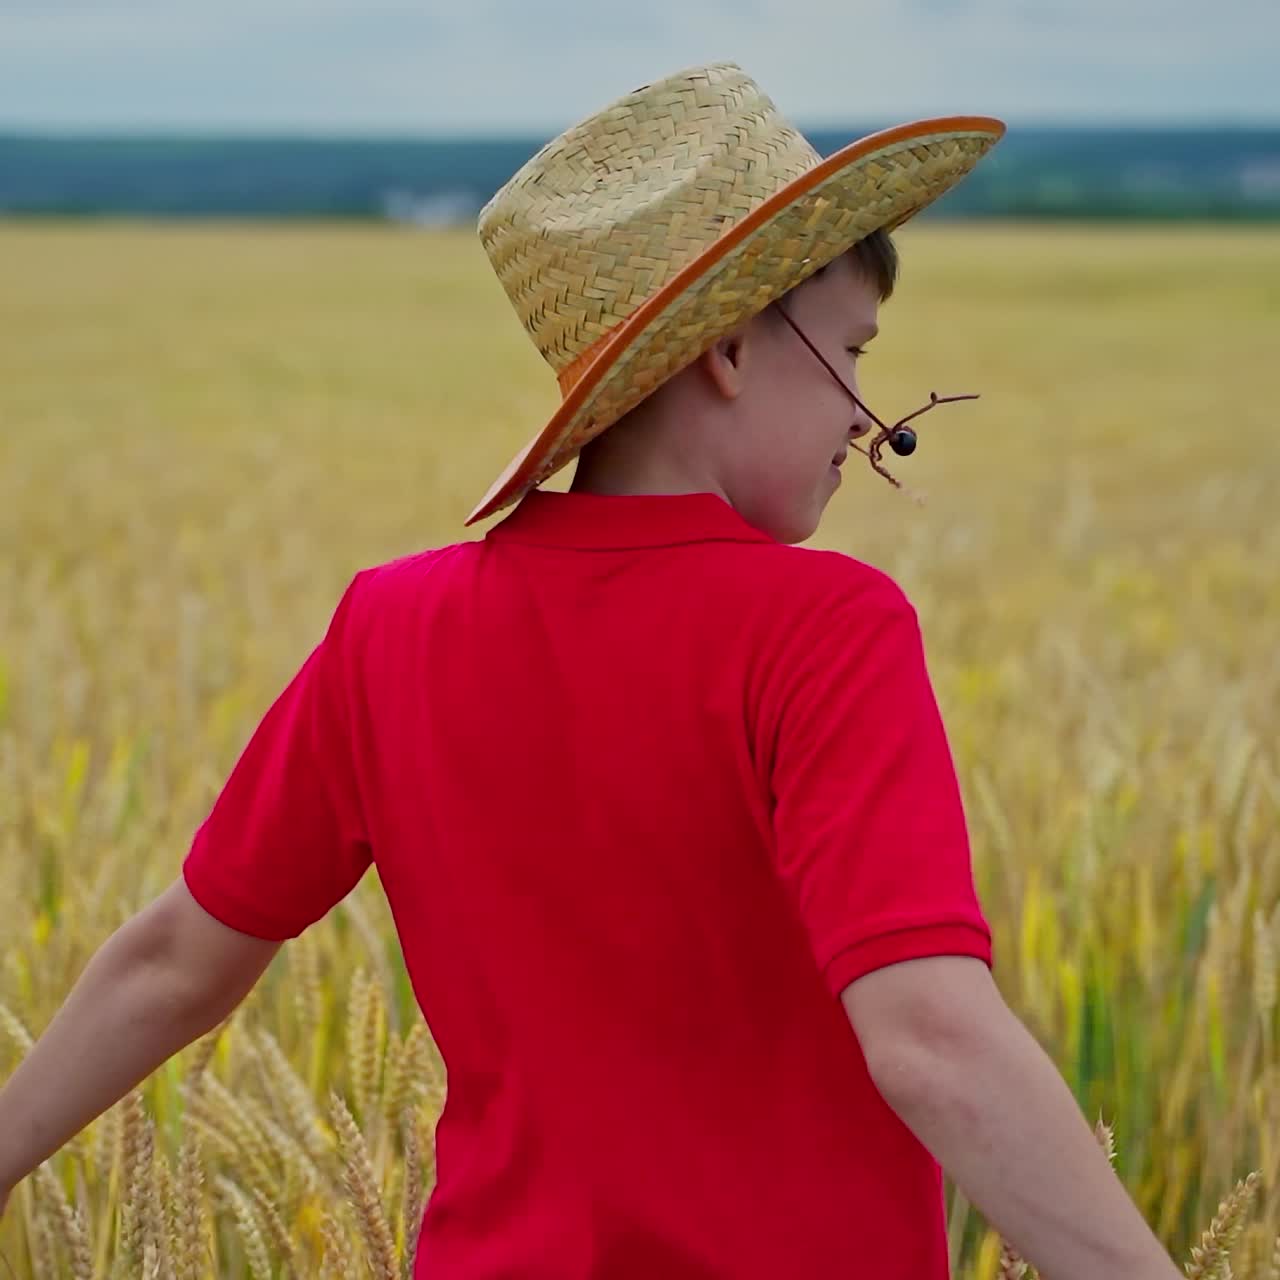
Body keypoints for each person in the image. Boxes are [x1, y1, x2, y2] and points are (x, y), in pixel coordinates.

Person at [0, 61, 1182, 1278]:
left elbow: (175, 959)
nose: (862, 415)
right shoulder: (823, 625)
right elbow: (931, 1038)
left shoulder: (387, 626)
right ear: (726, 348)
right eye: (849, 354)